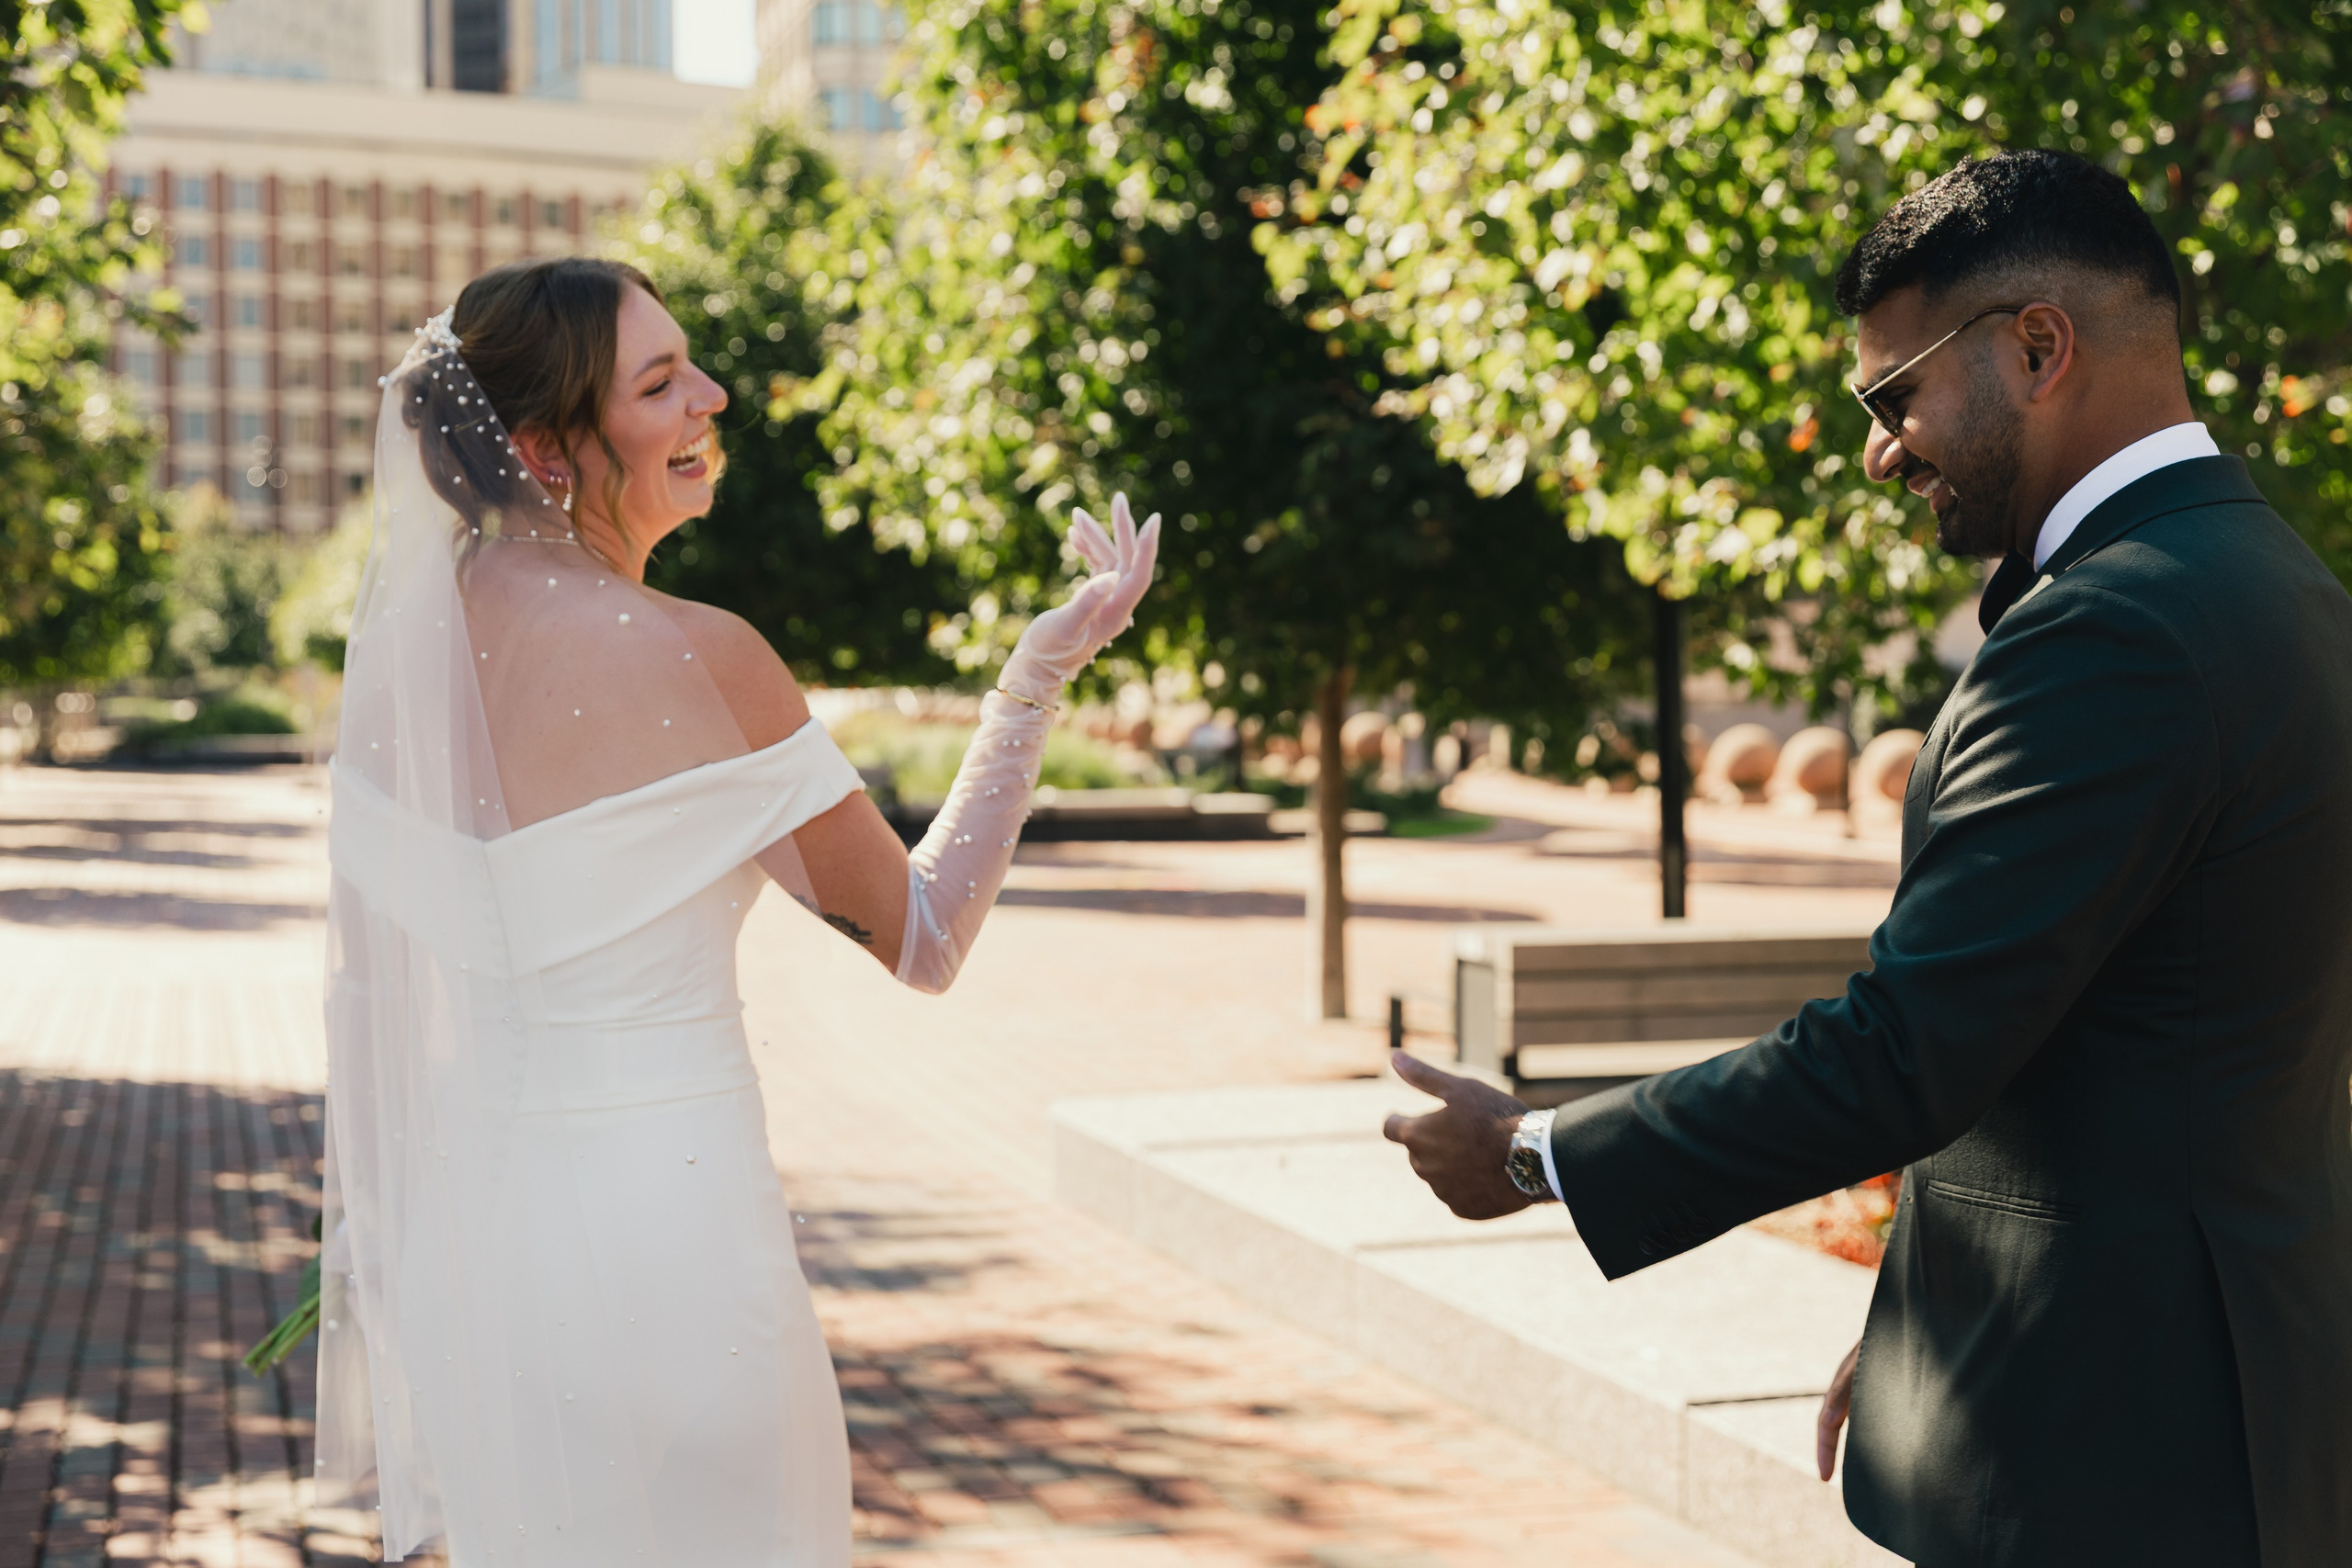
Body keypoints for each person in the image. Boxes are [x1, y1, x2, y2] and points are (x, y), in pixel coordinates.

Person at [1381, 149, 2352, 1566]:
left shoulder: (2116, 632)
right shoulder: (2287, 587)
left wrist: (1533, 1154)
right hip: (2204, 1408)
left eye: (1894, 397)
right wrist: (1921, 1327)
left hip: (2115, 1459)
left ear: (2037, 347)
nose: (1880, 451)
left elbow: (1910, 1049)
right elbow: (2101, 1046)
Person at [313, 256, 1159, 1565]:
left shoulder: (387, 694)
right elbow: (923, 940)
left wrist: (389, 1247)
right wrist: (1030, 691)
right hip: (675, 1253)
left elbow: (373, 1015)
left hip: (467, 1260)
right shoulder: (706, 659)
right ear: (543, 448)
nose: (712, 395)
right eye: (660, 383)